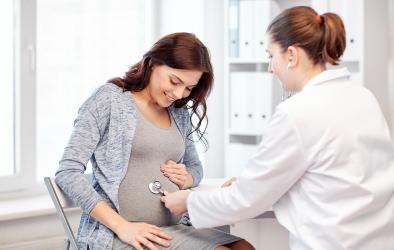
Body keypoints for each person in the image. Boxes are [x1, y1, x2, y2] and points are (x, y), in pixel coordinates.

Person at [161, 7, 394, 250]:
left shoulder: (298, 112)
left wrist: (190, 201)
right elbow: (338, 175)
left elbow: (247, 200)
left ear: (291, 55)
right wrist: (259, 182)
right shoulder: (363, 97)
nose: (271, 68)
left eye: (271, 56)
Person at [55, 32, 254, 250]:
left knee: (244, 247)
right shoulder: (109, 100)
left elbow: (196, 168)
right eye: (174, 81)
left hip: (176, 228)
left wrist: (185, 178)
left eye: (189, 88)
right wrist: (122, 227)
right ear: (152, 63)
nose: (179, 94)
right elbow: (67, 172)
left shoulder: (178, 113)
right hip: (120, 234)